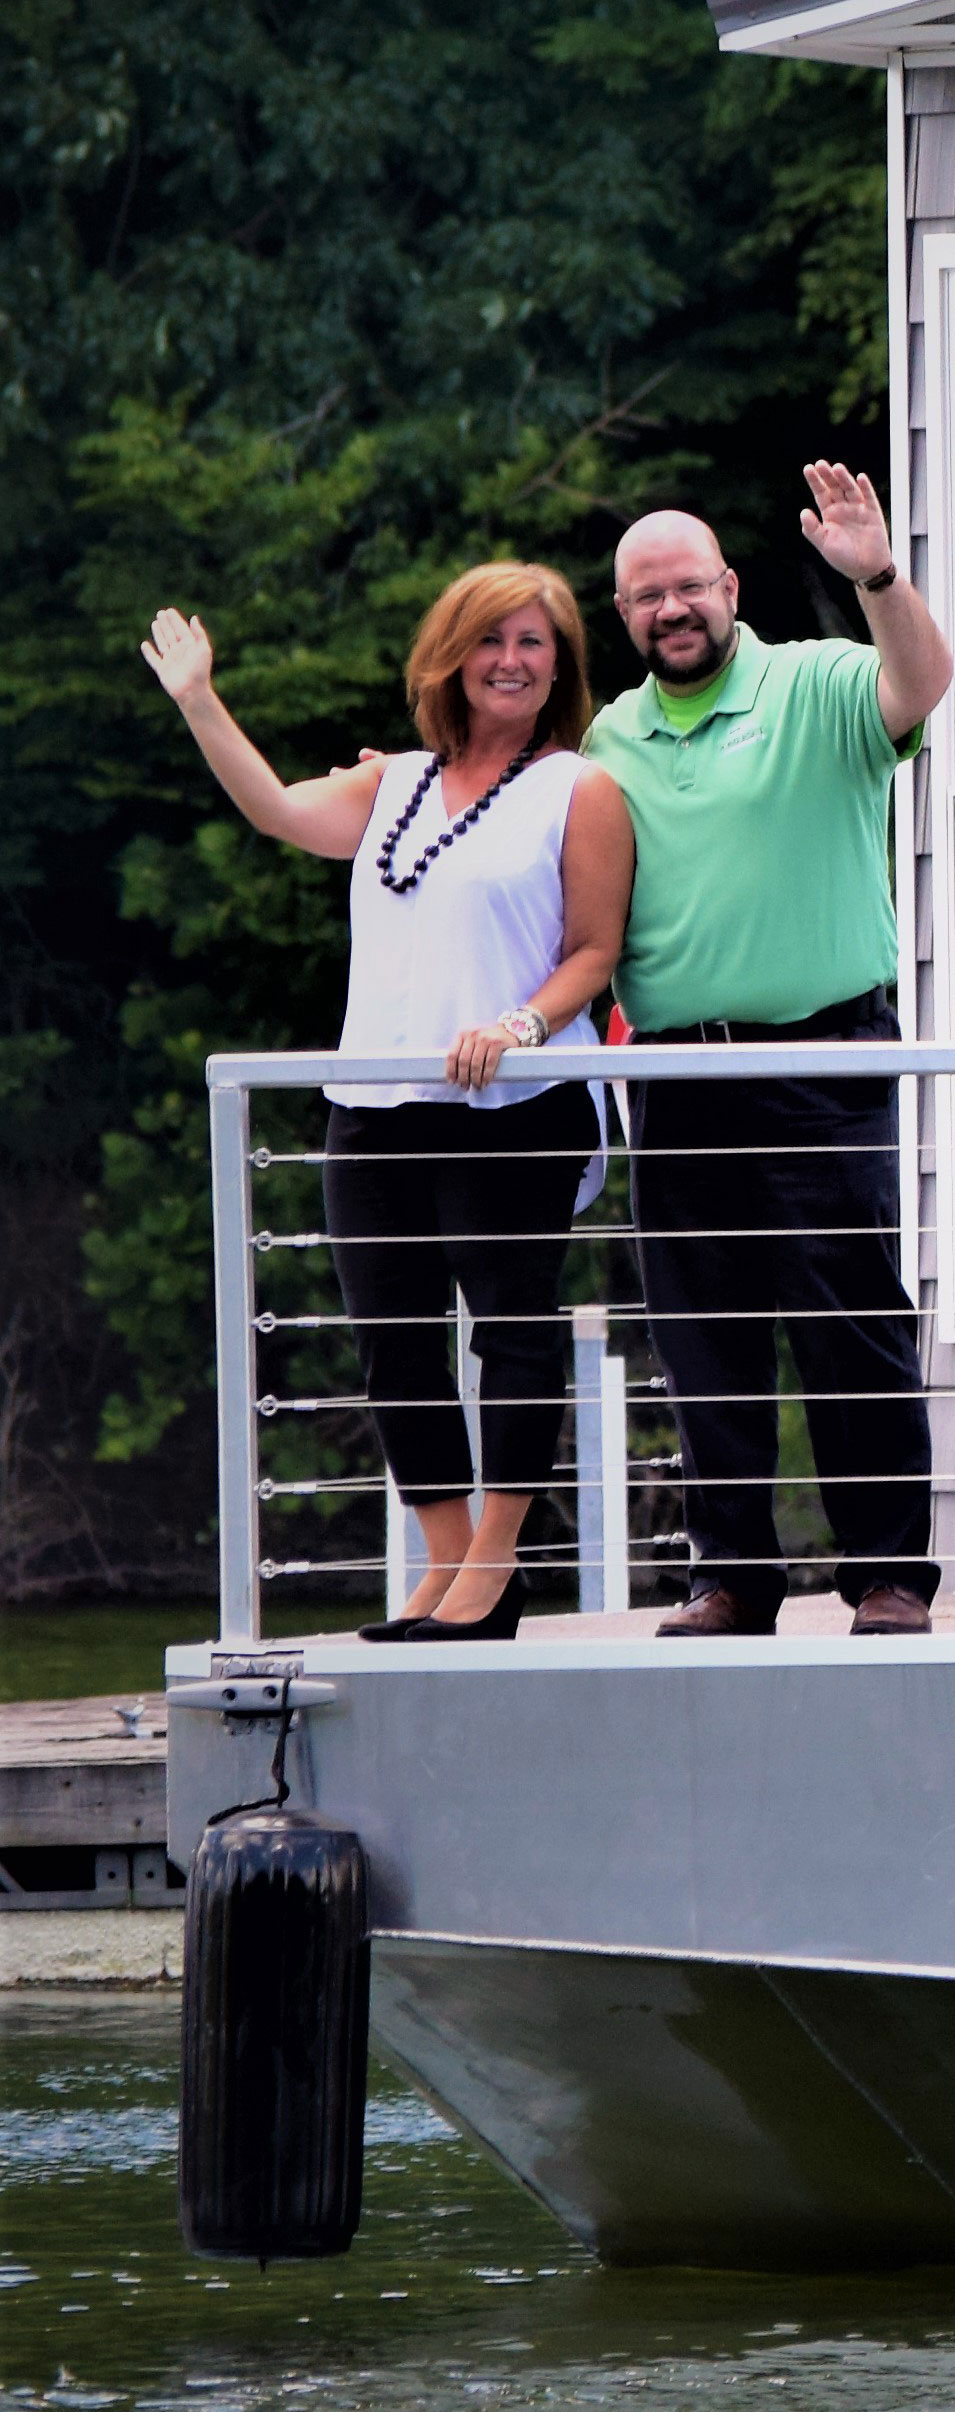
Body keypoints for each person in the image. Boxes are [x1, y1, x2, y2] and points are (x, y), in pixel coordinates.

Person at [146, 566, 634, 1642]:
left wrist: (516, 1027)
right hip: (374, 1100)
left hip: (512, 1099)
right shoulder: (392, 784)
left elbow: (593, 950)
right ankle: (448, 1557)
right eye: (490, 639)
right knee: (393, 1336)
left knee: (511, 1329)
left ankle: (499, 1564)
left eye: (534, 642)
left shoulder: (579, 789)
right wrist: (198, 698)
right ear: (450, 657)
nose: (511, 659)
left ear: (560, 664)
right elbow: (275, 809)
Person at [590, 465, 955, 1638]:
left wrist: (880, 579)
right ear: (625, 616)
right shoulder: (609, 736)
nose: (670, 610)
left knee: (846, 1312)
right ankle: (732, 1576)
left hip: (823, 1054)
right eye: (646, 597)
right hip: (677, 1069)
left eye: (687, 586)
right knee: (703, 1326)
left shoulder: (815, 680)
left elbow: (923, 682)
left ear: (729, 587)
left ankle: (888, 1571)